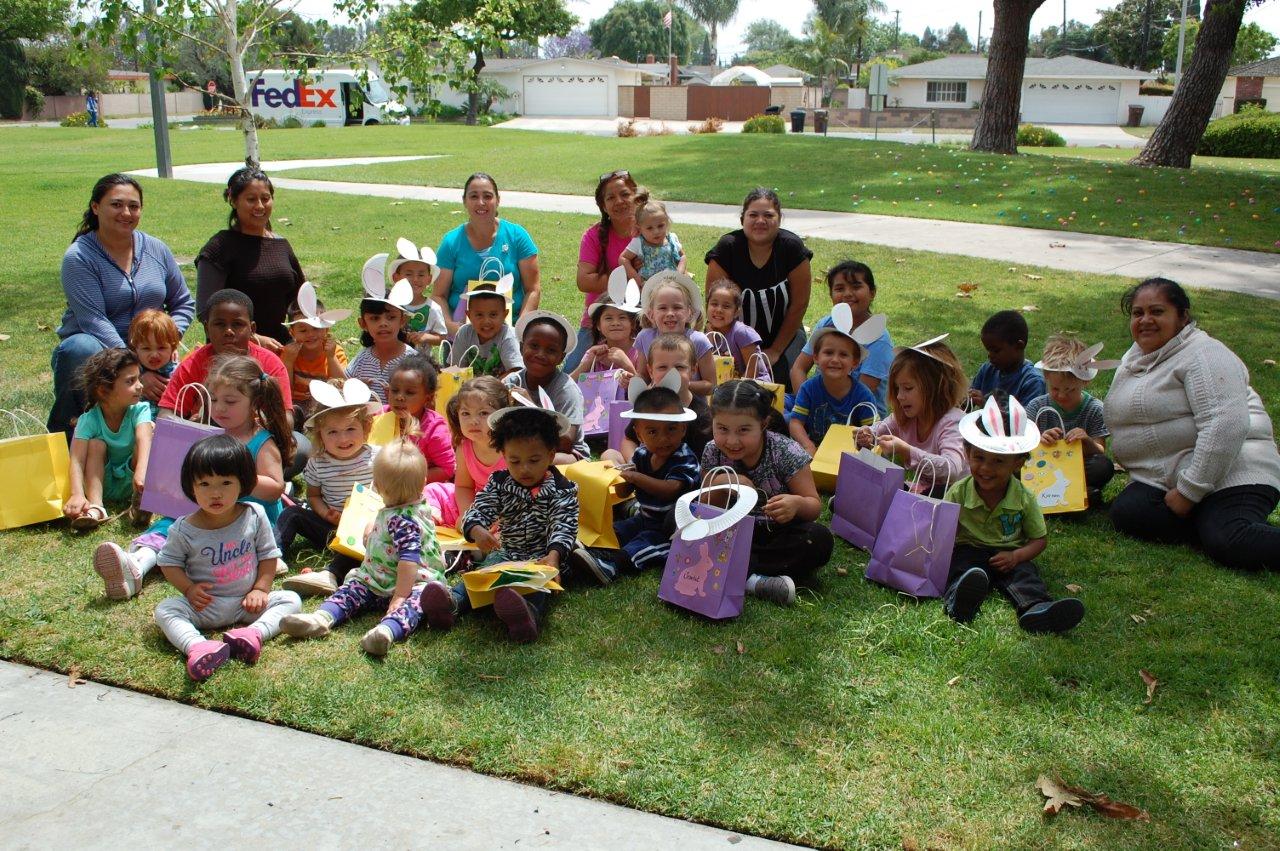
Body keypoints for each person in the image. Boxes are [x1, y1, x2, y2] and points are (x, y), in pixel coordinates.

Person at [1105, 278, 1280, 571]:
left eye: (1157, 311)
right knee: (1129, 512)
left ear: (1182, 317)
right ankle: (1207, 521)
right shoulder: (1137, 357)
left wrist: (1189, 492)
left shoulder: (1205, 354)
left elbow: (1227, 425)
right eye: (1138, 313)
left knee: (1229, 538)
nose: (1145, 320)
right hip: (1174, 476)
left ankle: (1215, 523)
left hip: (1237, 471)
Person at [92, 354, 293, 600]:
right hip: (209, 512)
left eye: (230, 401)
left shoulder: (261, 441)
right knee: (173, 525)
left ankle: (142, 565)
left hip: (246, 524)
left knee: (197, 539)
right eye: (214, 399)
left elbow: (275, 489)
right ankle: (136, 565)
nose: (219, 408)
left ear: (255, 403)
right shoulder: (207, 435)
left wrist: (241, 477)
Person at [418, 405, 579, 643]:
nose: (524, 469)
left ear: (551, 454)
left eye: (534, 460)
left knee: (537, 586)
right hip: (506, 552)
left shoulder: (563, 489)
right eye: (514, 461)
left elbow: (564, 526)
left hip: (543, 558)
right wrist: (477, 529)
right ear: (503, 455)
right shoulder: (499, 482)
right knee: (480, 575)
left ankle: (527, 616)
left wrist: (554, 556)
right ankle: (450, 604)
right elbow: (479, 509)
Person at [51, 173, 194, 437]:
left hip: (151, 350)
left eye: (133, 206)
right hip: (99, 351)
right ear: (96, 207)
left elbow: (184, 303)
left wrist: (165, 340)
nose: (126, 212)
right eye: (116, 204)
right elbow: (94, 321)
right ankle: (67, 433)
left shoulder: (156, 249)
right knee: (80, 346)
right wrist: (135, 369)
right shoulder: (79, 257)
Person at [152, 435, 301, 681]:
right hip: (206, 606)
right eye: (205, 484)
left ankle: (251, 634)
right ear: (191, 486)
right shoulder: (183, 529)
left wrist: (261, 590)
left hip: (247, 604)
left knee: (290, 599)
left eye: (225, 483)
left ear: (244, 483)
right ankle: (198, 647)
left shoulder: (254, 514)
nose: (216, 493)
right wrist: (188, 589)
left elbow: (268, 555)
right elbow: (168, 563)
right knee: (166, 609)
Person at [280, 439, 446, 657]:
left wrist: (399, 596)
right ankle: (322, 618)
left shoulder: (403, 522)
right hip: (376, 579)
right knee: (353, 587)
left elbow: (409, 561)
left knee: (417, 602)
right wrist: (373, 530)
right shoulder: (408, 507)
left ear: (377, 486)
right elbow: (387, 523)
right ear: (423, 483)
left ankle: (387, 630)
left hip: (412, 584)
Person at [944, 394, 1085, 633]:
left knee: (1027, 576)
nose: (986, 468)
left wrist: (1017, 557)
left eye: (999, 461)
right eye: (979, 458)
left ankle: (1037, 609)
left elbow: (1039, 539)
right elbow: (944, 531)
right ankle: (960, 598)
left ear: (1018, 463)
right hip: (969, 549)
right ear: (967, 453)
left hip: (1010, 553)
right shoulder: (958, 492)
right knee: (961, 567)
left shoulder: (1024, 497)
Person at [702, 380, 834, 606]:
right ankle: (753, 581)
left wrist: (796, 504)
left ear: (763, 424)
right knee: (674, 519)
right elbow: (704, 505)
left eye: (744, 430)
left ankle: (736, 573)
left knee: (817, 539)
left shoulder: (785, 452)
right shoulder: (712, 451)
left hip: (774, 534)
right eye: (722, 429)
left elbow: (814, 506)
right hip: (728, 533)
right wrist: (725, 482)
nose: (732, 441)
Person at [576, 384, 699, 581]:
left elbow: (670, 490)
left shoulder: (684, 458)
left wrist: (636, 477)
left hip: (669, 529)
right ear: (639, 434)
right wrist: (617, 478)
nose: (663, 438)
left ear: (683, 429)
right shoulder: (641, 455)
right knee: (615, 531)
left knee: (641, 547)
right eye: (652, 432)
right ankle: (589, 552)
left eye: (671, 429)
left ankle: (612, 565)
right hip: (644, 518)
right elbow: (626, 492)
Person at [279, 379, 377, 598]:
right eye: (332, 432)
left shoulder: (377, 458)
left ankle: (333, 574)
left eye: (351, 429)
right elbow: (313, 495)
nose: (343, 438)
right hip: (330, 528)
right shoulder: (317, 462)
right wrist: (324, 512)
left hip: (366, 531)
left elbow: (388, 496)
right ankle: (275, 555)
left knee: (376, 535)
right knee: (292, 513)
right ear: (320, 434)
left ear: (366, 427)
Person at [704, 188, 813, 378]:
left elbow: (799, 304)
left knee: (777, 377)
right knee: (724, 379)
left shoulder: (792, 248)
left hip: (784, 336)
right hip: (734, 337)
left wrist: (776, 351)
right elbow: (713, 303)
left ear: (779, 220)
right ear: (742, 220)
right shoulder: (727, 249)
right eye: (753, 215)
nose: (760, 221)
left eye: (768, 215)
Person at [195, 168, 305, 351]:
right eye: (251, 199)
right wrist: (254, 338)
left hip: (280, 347)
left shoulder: (281, 245)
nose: (260, 206)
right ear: (234, 201)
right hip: (234, 351)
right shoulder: (219, 247)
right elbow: (205, 310)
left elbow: (299, 300)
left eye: (265, 198)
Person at [856, 335, 968, 497]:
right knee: (876, 485)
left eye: (908, 388)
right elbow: (877, 430)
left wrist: (907, 451)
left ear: (935, 388)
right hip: (922, 491)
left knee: (932, 492)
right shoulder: (904, 417)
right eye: (897, 389)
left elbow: (952, 469)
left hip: (953, 498)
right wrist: (865, 435)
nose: (900, 396)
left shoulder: (952, 422)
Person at [432, 173, 541, 336]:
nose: (481, 202)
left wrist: (518, 330)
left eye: (488, 196)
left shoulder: (517, 236)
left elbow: (533, 290)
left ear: (498, 200)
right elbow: (439, 295)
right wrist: (454, 329)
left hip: (509, 331)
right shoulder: (451, 242)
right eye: (474, 196)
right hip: (462, 332)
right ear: (464, 201)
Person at [64, 349, 153, 531]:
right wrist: (77, 494)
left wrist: (142, 472)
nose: (140, 386)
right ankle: (97, 508)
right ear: (104, 390)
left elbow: (144, 440)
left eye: (139, 378)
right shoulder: (88, 420)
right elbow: (77, 460)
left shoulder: (140, 410)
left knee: (150, 429)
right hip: (101, 482)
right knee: (96, 445)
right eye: (130, 381)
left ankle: (139, 504)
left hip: (137, 481)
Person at [788, 261, 893, 416]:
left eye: (856, 286)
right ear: (831, 295)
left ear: (872, 293)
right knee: (772, 407)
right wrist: (806, 405)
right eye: (839, 288)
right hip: (817, 406)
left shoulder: (879, 338)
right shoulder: (827, 324)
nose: (848, 293)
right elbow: (798, 369)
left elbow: (862, 393)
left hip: (858, 418)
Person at [1026, 333, 1118, 507]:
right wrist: (1039, 440)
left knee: (1103, 466)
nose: (1061, 395)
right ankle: (1082, 493)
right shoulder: (1036, 406)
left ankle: (1080, 491)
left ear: (1085, 382)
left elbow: (1099, 450)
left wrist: (1086, 440)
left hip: (1077, 467)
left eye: (1070, 390)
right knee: (1013, 465)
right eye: (1055, 389)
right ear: (1046, 377)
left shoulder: (1095, 409)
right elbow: (1023, 447)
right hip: (1043, 467)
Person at [569, 169, 642, 371]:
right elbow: (584, 281)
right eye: (611, 198)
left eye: (625, 194)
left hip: (643, 320)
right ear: (603, 206)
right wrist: (628, 272)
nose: (619, 201)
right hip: (600, 320)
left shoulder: (651, 230)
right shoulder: (594, 236)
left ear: (635, 196)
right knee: (570, 373)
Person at [421, 377, 512, 530]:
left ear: (502, 415)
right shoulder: (465, 446)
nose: (473, 421)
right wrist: (468, 516)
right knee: (433, 490)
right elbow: (463, 486)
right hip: (478, 502)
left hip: (511, 507)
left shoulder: (513, 447)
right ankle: (430, 522)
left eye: (483, 413)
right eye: (466, 413)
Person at [789, 314, 879, 456]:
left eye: (843, 355)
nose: (835, 359)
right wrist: (808, 445)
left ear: (854, 363)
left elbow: (874, 432)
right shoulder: (808, 388)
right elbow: (795, 423)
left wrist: (867, 437)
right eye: (829, 353)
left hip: (848, 456)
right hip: (814, 451)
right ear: (816, 357)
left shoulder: (863, 395)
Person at [503, 311, 588, 462]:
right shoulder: (512, 381)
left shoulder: (566, 389)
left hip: (564, 454)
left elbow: (566, 441)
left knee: (548, 461)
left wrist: (532, 409)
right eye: (534, 346)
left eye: (551, 350)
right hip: (522, 449)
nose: (540, 354)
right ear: (522, 347)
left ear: (561, 358)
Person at [632, 270, 717, 398]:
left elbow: (711, 385)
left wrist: (680, 384)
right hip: (657, 407)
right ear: (651, 314)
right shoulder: (645, 337)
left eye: (677, 307)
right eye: (662, 308)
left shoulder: (699, 341)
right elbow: (644, 375)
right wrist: (633, 380)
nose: (670, 313)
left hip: (692, 409)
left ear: (689, 313)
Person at [280, 284, 349, 424]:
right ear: (292, 332)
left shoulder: (334, 352)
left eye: (316, 328)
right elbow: (284, 390)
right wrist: (288, 362)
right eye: (303, 330)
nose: (310, 334)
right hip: (296, 406)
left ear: (326, 329)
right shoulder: (288, 353)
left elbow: (343, 386)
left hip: (326, 407)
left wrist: (331, 358)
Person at [384, 354, 455, 483]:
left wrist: (407, 479)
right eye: (394, 390)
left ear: (427, 399)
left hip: (419, 488)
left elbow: (447, 469)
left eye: (409, 393)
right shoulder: (379, 417)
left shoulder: (434, 429)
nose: (400, 397)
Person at [347, 284, 414, 406]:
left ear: (402, 320)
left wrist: (397, 398)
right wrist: (354, 386)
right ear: (363, 324)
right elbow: (344, 384)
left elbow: (424, 402)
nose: (383, 323)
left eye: (391, 317)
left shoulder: (412, 361)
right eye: (375, 318)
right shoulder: (362, 359)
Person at [570, 272, 642, 379]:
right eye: (608, 318)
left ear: (633, 323)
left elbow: (645, 391)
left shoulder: (640, 351)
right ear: (598, 325)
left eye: (622, 318)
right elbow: (570, 385)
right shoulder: (594, 352)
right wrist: (587, 363)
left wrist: (626, 365)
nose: (615, 323)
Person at [968, 310, 1046, 407]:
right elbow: (968, 404)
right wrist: (965, 400)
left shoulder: (1033, 382)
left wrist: (987, 406)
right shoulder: (987, 369)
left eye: (996, 351)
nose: (990, 356)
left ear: (1019, 346)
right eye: (988, 350)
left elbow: (1025, 420)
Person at [450, 284, 522, 377]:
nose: (486, 321)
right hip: (471, 388)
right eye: (479, 315)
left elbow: (515, 371)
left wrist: (488, 387)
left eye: (493, 315)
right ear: (469, 315)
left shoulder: (508, 335)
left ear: (505, 314)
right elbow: (456, 367)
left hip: (500, 388)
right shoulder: (464, 332)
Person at [386, 240, 447, 350]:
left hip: (420, 364)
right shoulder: (390, 305)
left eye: (421, 274)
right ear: (396, 278)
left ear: (429, 279)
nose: (415, 279)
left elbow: (442, 337)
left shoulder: (433, 308)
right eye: (409, 274)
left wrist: (425, 337)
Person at [704, 279, 765, 380]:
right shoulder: (709, 332)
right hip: (726, 386)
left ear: (736, 312)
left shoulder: (741, 332)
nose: (719, 310)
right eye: (714, 304)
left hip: (751, 387)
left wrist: (736, 393)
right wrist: (710, 335)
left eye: (726, 306)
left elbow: (753, 370)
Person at [128, 309, 181, 421]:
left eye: (161, 348)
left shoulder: (178, 372)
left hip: (168, 429)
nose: (154, 354)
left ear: (173, 347)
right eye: (146, 348)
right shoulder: (129, 373)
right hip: (134, 427)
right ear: (135, 349)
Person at [617, 197, 685, 285]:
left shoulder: (671, 239)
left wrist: (679, 273)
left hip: (672, 285)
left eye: (660, 226)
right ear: (640, 229)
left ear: (667, 222)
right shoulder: (638, 242)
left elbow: (682, 257)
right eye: (649, 228)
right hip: (648, 288)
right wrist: (636, 278)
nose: (656, 232)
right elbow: (623, 258)